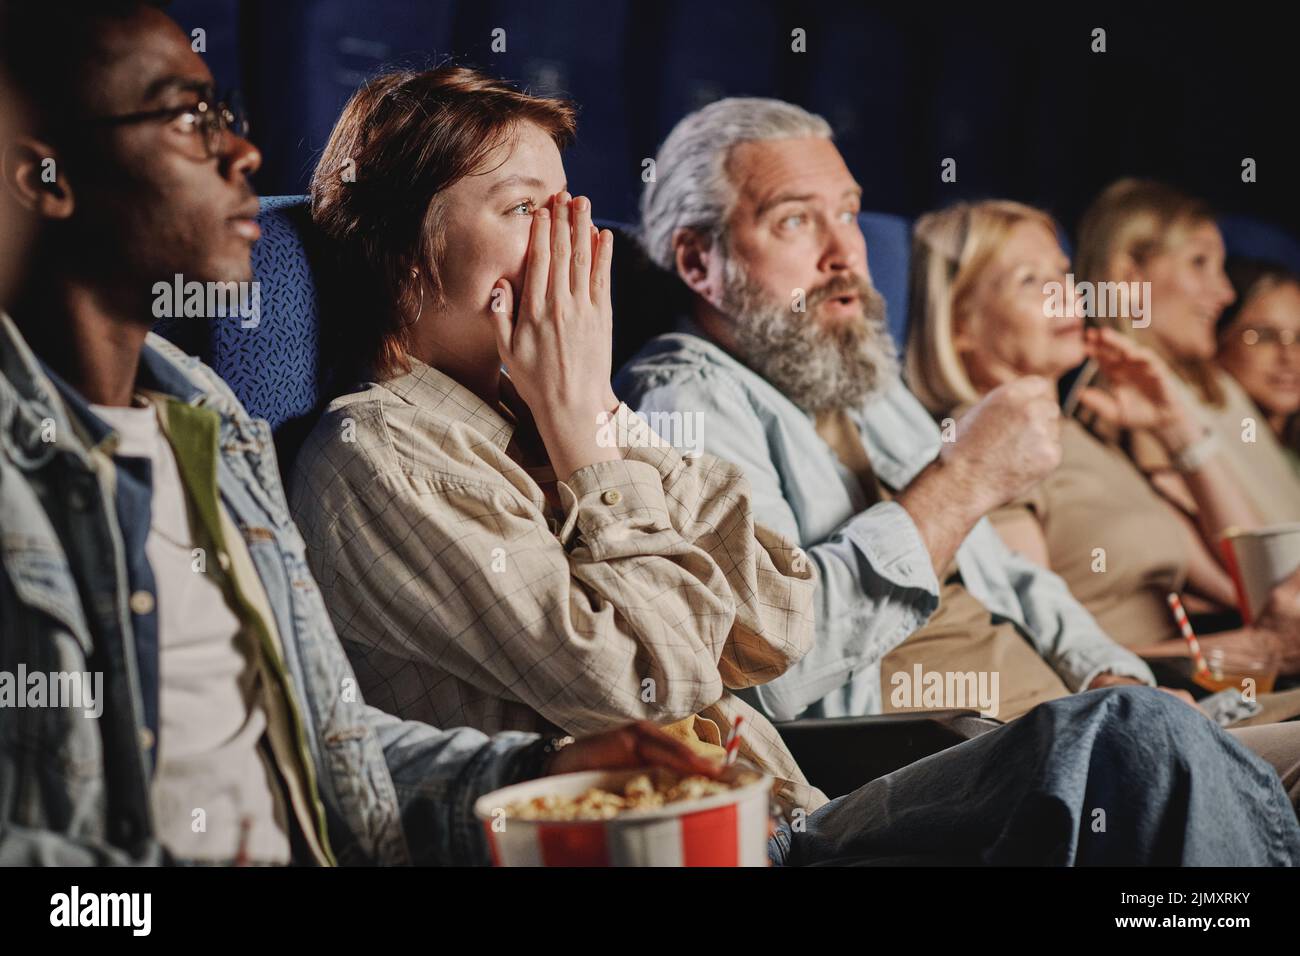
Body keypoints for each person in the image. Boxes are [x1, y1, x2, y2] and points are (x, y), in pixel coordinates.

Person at [0, 0, 730, 866]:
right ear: (43, 178)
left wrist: (544, 769)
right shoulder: (362, 452)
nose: (244, 152)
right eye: (186, 119)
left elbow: (316, 745)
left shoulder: (208, 426)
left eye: (226, 115)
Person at [288, 66, 826, 816]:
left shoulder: (558, 407)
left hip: (790, 815)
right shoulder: (378, 457)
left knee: (1052, 743)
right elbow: (646, 690)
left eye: (569, 210)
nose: (571, 244)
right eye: (523, 209)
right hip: (649, 842)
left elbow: (779, 618)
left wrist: (592, 410)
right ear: (405, 250)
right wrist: (589, 444)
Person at [617, 97, 1162, 725]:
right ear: (697, 261)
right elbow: (766, 665)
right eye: (795, 221)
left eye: (847, 214)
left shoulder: (855, 372)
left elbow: (1005, 571)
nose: (845, 253)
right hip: (946, 767)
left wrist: (1112, 674)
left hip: (1078, 718)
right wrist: (962, 481)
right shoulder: (686, 403)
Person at [904, 199, 1300, 719]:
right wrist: (1247, 651)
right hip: (1153, 710)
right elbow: (1037, 655)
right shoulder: (981, 451)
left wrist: (1174, 425)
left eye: (1063, 275)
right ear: (959, 321)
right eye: (1030, 281)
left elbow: (1258, 579)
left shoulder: (1078, 434)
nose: (1065, 295)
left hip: (1213, 696)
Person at [1075, 178, 1300, 526]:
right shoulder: (1126, 400)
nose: (1225, 293)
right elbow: (1241, 566)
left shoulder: (1211, 385)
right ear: (1129, 279)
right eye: (1199, 263)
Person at [1216, 258, 1300, 478]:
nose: (1289, 355)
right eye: (1264, 336)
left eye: (1299, 338)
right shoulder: (1212, 457)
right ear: (1220, 340)